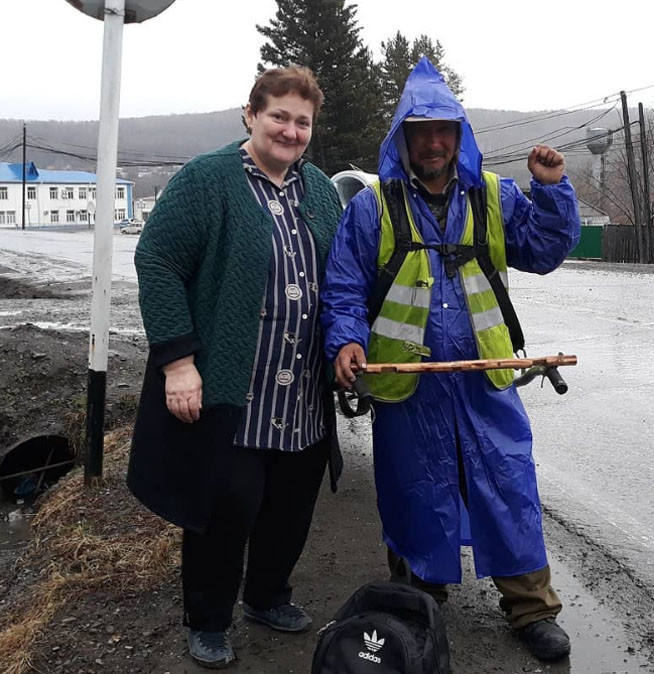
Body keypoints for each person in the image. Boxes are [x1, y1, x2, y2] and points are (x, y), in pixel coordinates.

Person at [320, 57, 580, 663]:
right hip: (407, 387)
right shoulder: (372, 208)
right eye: (421, 131)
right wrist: (346, 343)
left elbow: (543, 250)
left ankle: (532, 608)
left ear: (459, 136)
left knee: (507, 485)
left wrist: (551, 189)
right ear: (403, 138)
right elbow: (343, 289)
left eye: (444, 130)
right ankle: (417, 602)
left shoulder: (493, 197)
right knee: (414, 493)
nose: (433, 142)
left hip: (485, 380)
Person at [127, 65, 343, 669]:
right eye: (279, 116)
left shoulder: (319, 190)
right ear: (250, 115)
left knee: (291, 506)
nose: (291, 131)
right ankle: (209, 617)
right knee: (228, 505)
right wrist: (178, 362)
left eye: (302, 122)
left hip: (300, 389)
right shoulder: (207, 180)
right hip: (232, 387)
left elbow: (346, 277)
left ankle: (267, 596)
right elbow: (159, 262)